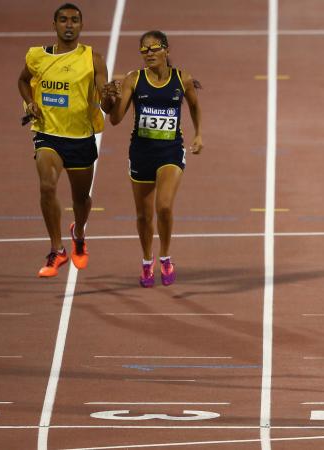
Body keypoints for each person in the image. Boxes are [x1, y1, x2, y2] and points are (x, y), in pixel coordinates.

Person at [18, 3, 114, 277]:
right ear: (54, 25)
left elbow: (106, 105)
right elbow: (23, 81)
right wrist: (29, 104)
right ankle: (57, 249)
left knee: (81, 198)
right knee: (47, 186)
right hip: (48, 135)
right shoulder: (37, 56)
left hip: (81, 138)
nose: (69, 24)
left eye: (74, 20)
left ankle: (79, 234)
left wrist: (108, 95)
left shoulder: (92, 58)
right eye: (63, 20)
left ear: (81, 26)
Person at [106, 30, 202, 287]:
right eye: (143, 50)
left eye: (153, 48)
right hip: (140, 153)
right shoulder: (133, 80)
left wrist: (199, 134)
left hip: (170, 151)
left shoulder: (182, 79)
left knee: (164, 206)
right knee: (143, 216)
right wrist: (107, 99)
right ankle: (147, 262)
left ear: (166, 50)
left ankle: (166, 258)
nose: (148, 53)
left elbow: (193, 104)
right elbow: (115, 119)